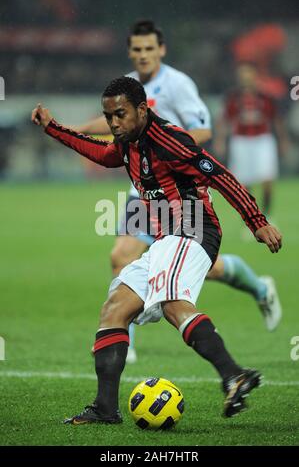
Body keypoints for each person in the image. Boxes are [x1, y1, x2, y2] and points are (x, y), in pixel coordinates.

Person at [32, 76, 282, 423]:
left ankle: (234, 375)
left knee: (172, 304)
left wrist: (257, 221)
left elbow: (221, 175)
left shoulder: (170, 141)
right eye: (109, 117)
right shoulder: (127, 141)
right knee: (115, 307)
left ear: (140, 110)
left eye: (120, 114)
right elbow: (104, 155)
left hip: (194, 228)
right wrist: (53, 129)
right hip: (167, 236)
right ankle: (106, 408)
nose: (114, 123)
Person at [71, 22, 282, 361]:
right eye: (137, 49)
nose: (142, 55)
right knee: (121, 255)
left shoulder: (179, 84)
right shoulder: (129, 84)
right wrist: (75, 130)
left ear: (161, 50)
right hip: (141, 192)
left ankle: (259, 287)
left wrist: (163, 153)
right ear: (130, 52)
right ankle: (126, 343)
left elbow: (202, 131)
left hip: (179, 194)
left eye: (148, 49)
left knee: (204, 268)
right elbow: (112, 123)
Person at [214, 62, 288, 218]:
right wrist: (220, 140)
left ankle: (267, 215)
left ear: (254, 75)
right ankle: (252, 218)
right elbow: (225, 119)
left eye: (248, 73)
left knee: (267, 179)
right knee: (244, 183)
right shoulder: (233, 97)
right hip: (240, 141)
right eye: (242, 74)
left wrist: (283, 140)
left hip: (263, 140)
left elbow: (276, 119)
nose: (245, 77)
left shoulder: (265, 97)